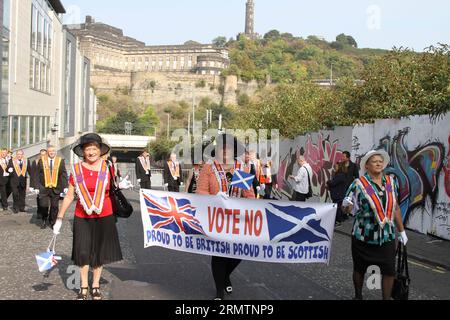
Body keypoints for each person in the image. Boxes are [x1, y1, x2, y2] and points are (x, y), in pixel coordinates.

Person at [53, 133, 123, 300]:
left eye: (94, 148)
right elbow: (70, 196)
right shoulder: (77, 169)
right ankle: (83, 286)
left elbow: (114, 189)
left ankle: (96, 285)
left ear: (100, 150)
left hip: (104, 215)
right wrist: (60, 218)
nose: (91, 152)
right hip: (82, 216)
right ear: (83, 152)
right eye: (88, 149)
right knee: (83, 251)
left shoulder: (107, 168)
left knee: (99, 252)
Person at [342, 150, 408, 300]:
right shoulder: (358, 184)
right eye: (374, 161)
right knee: (359, 268)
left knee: (389, 270)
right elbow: (346, 207)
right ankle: (358, 296)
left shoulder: (391, 182)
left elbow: (395, 207)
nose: (378, 164)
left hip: (387, 235)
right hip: (363, 235)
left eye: (380, 161)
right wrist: (346, 206)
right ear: (367, 165)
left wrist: (402, 231)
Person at [196, 134, 255, 300]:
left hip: (237, 219)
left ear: (233, 150)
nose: (224, 150)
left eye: (228, 147)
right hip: (217, 218)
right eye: (222, 147)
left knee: (239, 253)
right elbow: (200, 191)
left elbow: (248, 193)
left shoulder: (240, 168)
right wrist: (214, 199)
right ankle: (219, 291)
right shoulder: (209, 167)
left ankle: (225, 276)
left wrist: (256, 208)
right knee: (219, 254)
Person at [36, 146, 68, 229]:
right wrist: (35, 186)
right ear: (47, 152)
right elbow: (37, 174)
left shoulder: (60, 161)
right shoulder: (42, 161)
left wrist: (65, 186)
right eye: (50, 151)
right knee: (43, 205)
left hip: (56, 187)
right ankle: (44, 219)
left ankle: (52, 222)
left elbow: (63, 174)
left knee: (54, 206)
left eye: (53, 151)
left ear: (55, 152)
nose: (51, 152)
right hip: (44, 187)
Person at [326, 162, 348, 226]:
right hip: (338, 194)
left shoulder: (340, 175)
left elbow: (333, 183)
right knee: (337, 208)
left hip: (338, 195)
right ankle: (336, 221)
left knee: (337, 208)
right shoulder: (341, 175)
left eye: (336, 166)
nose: (334, 168)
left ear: (339, 167)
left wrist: (328, 181)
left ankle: (338, 221)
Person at [29, 149, 47, 219]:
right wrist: (32, 185)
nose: (43, 156)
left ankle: (45, 212)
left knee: (46, 199)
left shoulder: (48, 161)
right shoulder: (35, 162)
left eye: (44, 154)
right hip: (38, 183)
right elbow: (32, 174)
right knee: (39, 198)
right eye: (41, 154)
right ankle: (39, 212)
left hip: (47, 183)